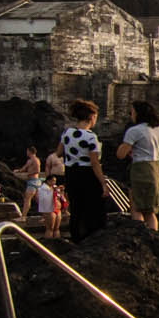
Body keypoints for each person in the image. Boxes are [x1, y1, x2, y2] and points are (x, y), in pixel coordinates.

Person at [59, 100, 108, 241]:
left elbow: (58, 152)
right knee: (93, 208)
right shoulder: (91, 137)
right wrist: (103, 183)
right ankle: (92, 239)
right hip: (88, 175)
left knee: (76, 208)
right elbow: (94, 163)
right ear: (92, 117)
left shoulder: (67, 132)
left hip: (71, 173)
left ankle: (76, 238)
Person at [115, 101, 159, 231]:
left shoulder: (134, 131)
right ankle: (153, 236)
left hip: (141, 169)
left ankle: (140, 235)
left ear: (139, 114)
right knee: (150, 211)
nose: (131, 115)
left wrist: (129, 150)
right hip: (156, 168)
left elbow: (121, 154)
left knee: (137, 206)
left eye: (132, 112)